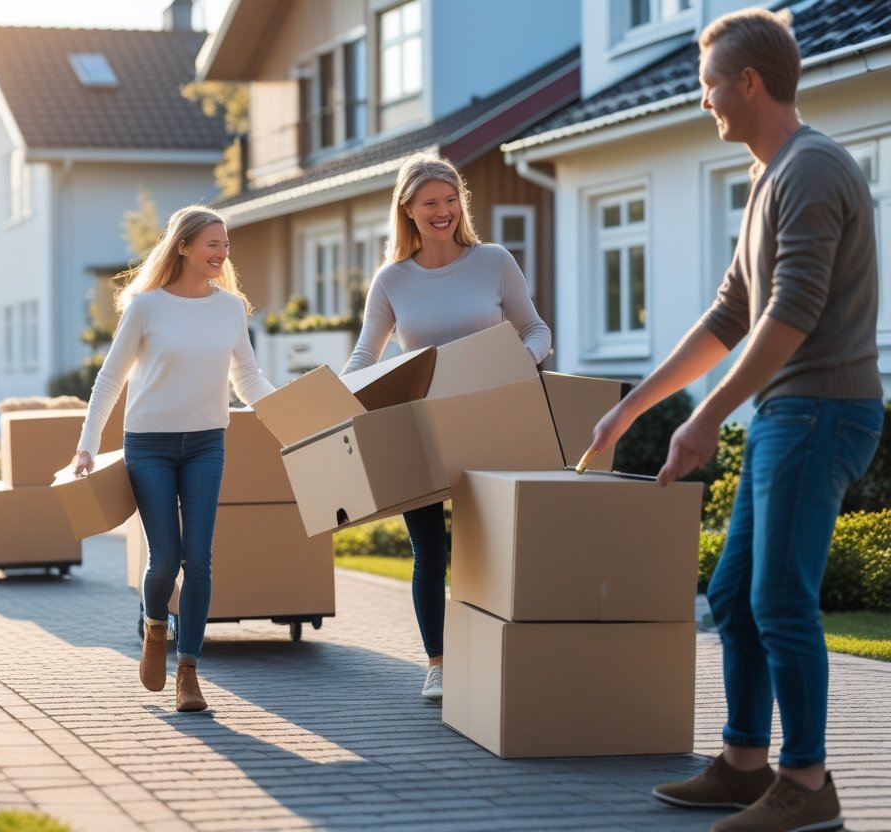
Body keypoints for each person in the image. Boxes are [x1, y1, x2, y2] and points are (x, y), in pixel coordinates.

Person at [588, 9, 883, 832]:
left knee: (779, 598)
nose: (704, 99)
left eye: (710, 83)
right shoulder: (769, 176)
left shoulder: (812, 168)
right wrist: (634, 410)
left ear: (748, 82)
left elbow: (792, 312)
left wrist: (706, 417)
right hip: (790, 410)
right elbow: (730, 315)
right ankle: (746, 762)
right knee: (735, 592)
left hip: (822, 406)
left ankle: (807, 784)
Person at [342, 152, 551, 702]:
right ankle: (438, 663)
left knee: (495, 545)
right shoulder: (392, 280)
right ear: (407, 210)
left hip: (490, 420)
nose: (444, 212)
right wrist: (339, 395)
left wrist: (523, 361)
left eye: (451, 200)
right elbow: (366, 353)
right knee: (430, 552)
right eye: (430, 203)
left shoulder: (494, 261)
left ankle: (502, 654)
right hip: (421, 426)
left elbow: (535, 328)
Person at [72, 205, 275, 713]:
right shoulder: (146, 307)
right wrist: (87, 445)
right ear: (182, 246)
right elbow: (110, 378)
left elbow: (247, 379)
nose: (222, 253)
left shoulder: (230, 308)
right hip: (151, 445)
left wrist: (292, 412)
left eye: (225, 245)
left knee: (199, 561)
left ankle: (188, 671)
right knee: (164, 561)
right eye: (212, 243)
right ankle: (154, 628)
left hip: (207, 442)